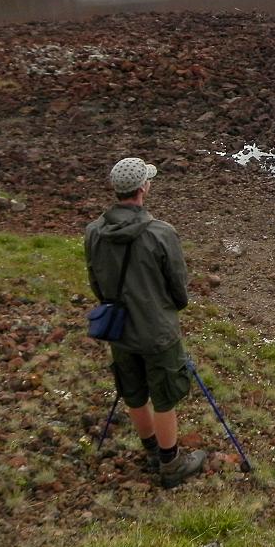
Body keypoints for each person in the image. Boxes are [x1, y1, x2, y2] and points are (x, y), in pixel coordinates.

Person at [84, 157, 206, 488]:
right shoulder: (161, 233)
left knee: (133, 391)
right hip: (157, 331)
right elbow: (178, 286)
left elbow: (96, 281)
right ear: (143, 189)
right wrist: (173, 307)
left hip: (119, 329)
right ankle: (171, 465)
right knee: (164, 396)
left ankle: (151, 450)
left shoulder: (94, 232)